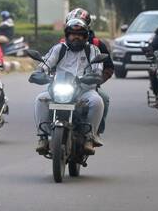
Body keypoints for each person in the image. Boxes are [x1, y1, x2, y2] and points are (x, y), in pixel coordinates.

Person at [35, 11, 106, 154]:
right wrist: (39, 73)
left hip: (84, 91)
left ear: (85, 35)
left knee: (98, 101)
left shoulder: (92, 50)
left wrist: (94, 76)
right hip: (58, 89)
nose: (76, 37)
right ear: (67, 35)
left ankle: (89, 137)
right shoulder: (58, 49)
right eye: (72, 34)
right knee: (40, 99)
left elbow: (97, 70)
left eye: (79, 34)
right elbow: (45, 64)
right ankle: (43, 136)